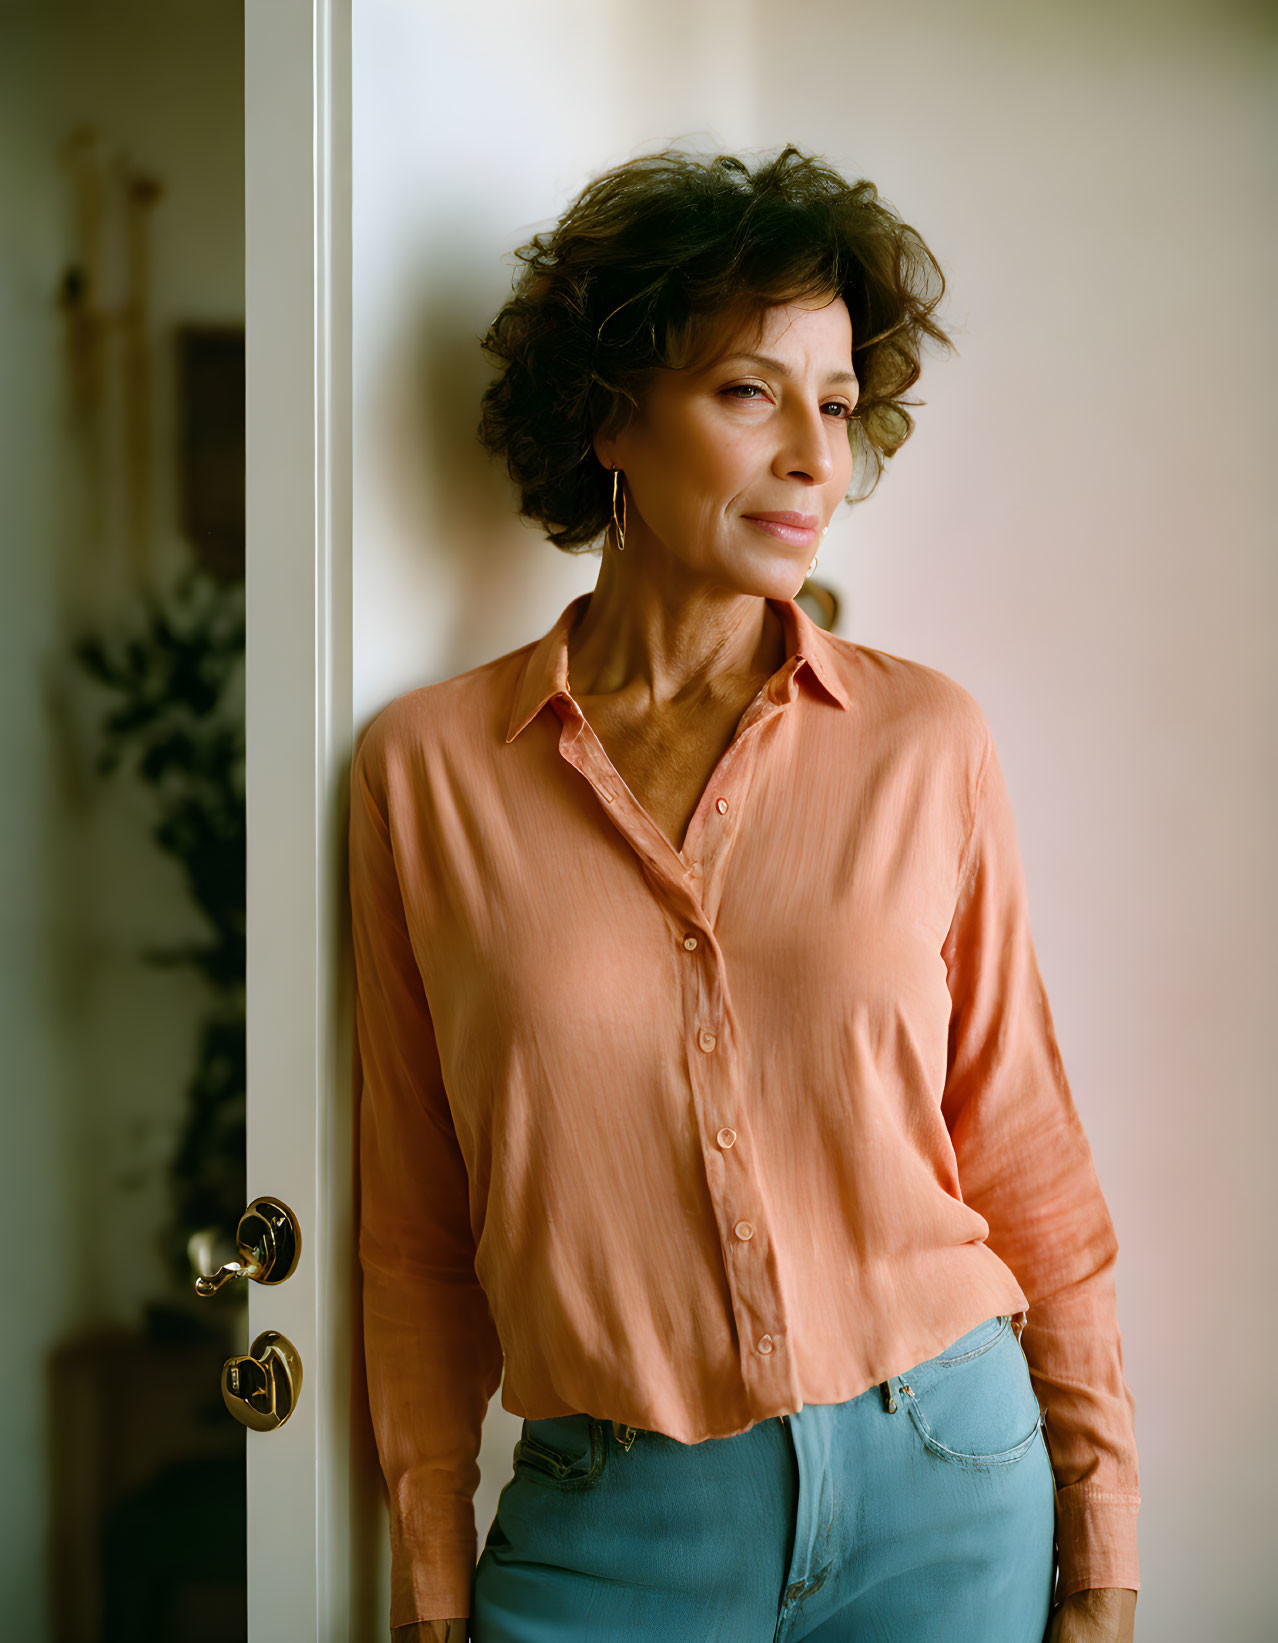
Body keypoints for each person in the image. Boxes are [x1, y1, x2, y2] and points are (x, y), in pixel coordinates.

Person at [348, 145, 1140, 1643]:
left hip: (947, 1484)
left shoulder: (925, 741)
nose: (811, 458)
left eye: (835, 406)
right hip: (608, 1527)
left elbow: (1022, 1146)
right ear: (607, 419)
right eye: (746, 392)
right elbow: (412, 1220)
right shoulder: (425, 774)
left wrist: (1101, 1553)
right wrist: (431, 1580)